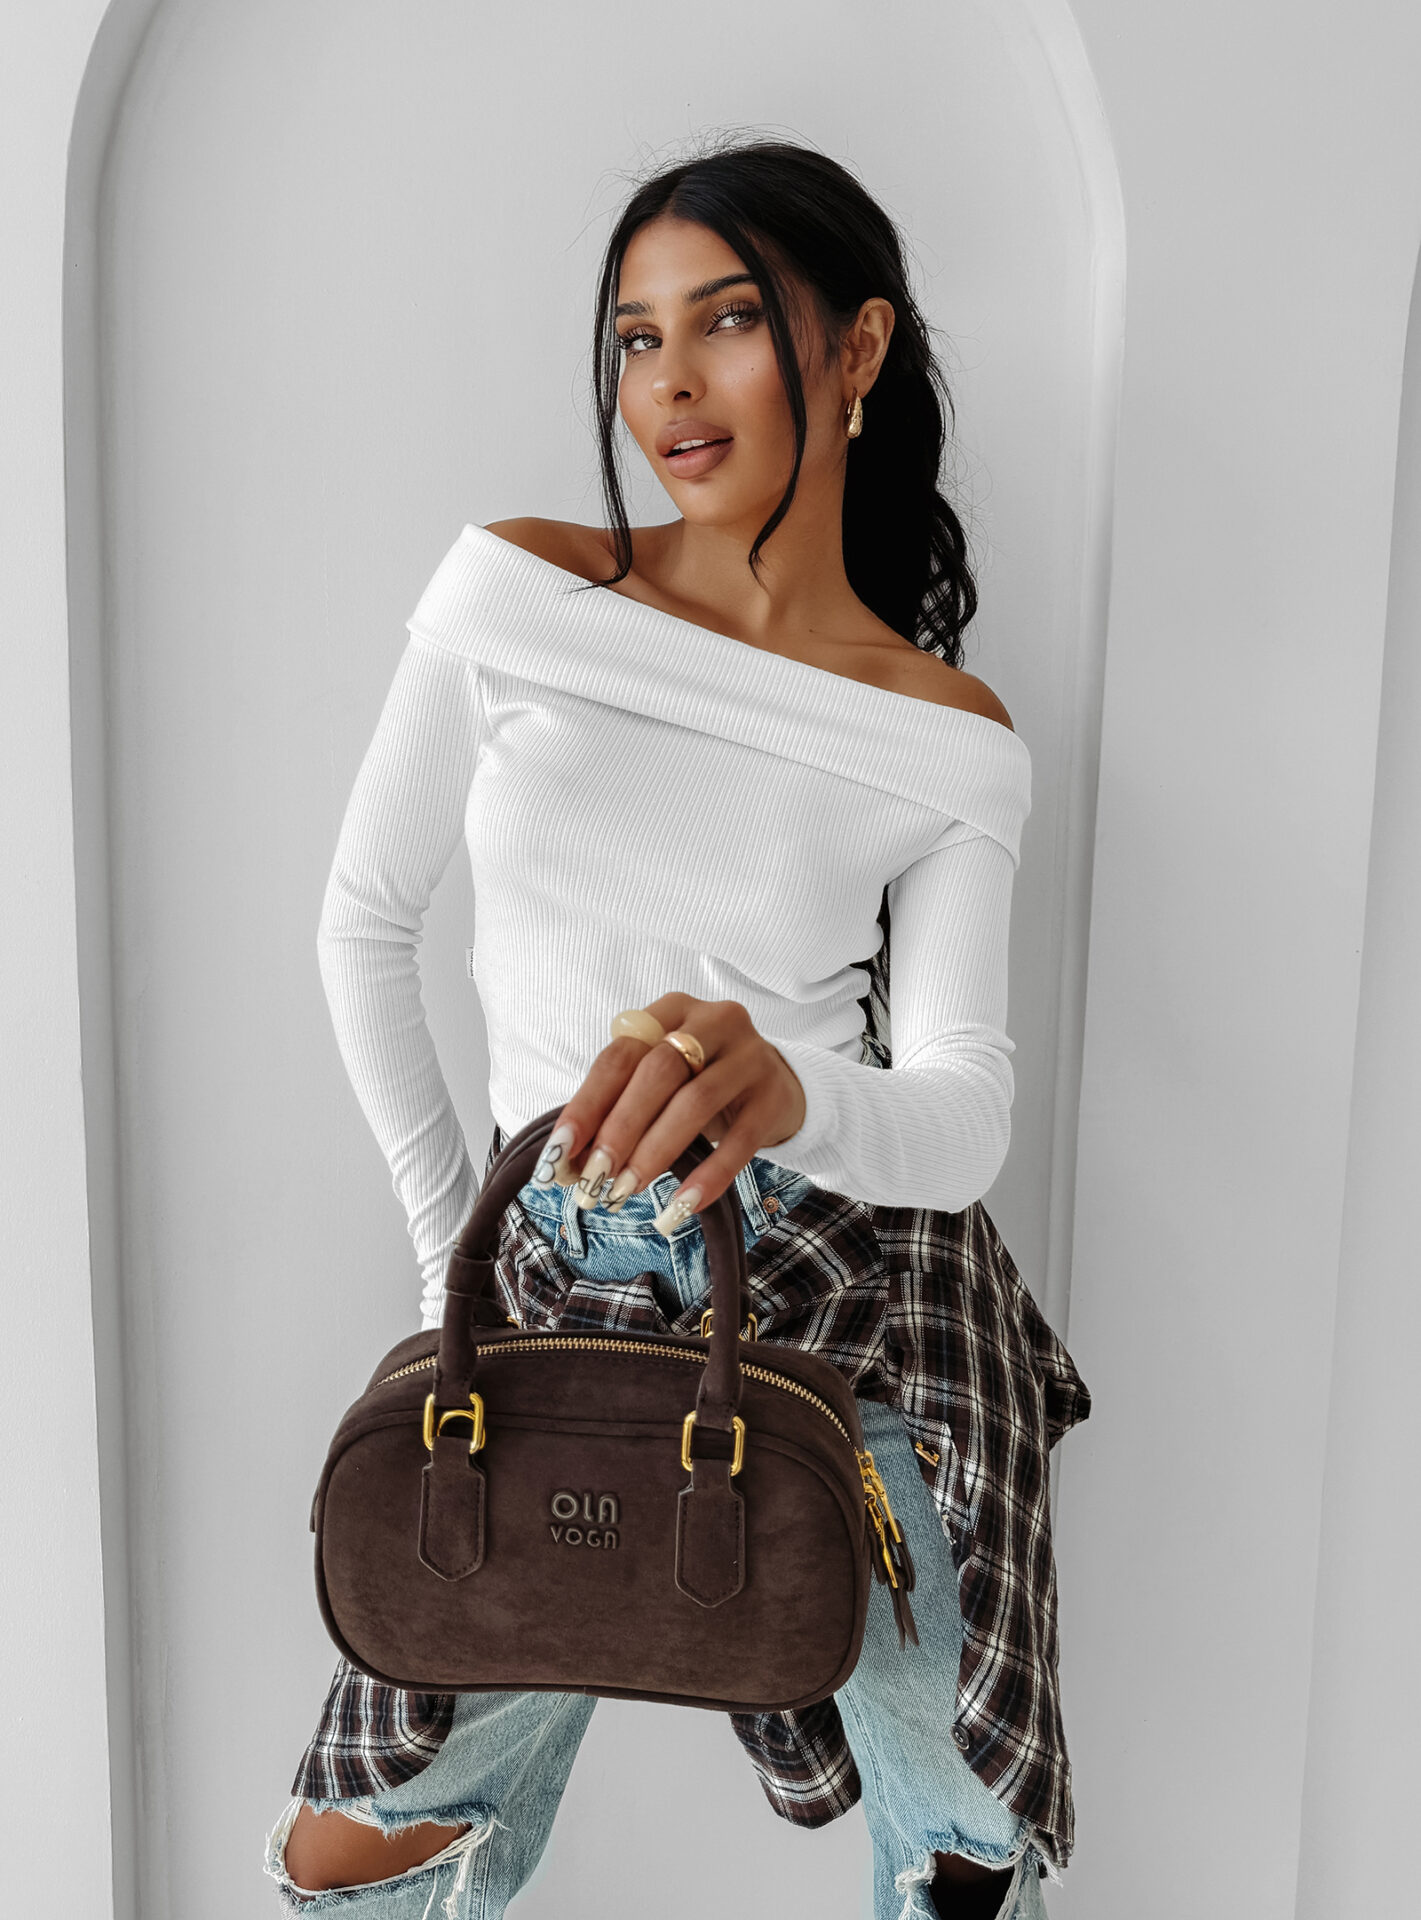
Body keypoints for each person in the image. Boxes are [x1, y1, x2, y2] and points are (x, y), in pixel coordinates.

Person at [263, 134, 1090, 1920]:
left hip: (858, 1291)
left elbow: (963, 1110)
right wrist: (454, 1274)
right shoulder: (518, 592)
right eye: (636, 339)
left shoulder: (944, 732)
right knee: (362, 1840)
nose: (669, 385)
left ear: (855, 348)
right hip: (549, 1264)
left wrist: (792, 1092)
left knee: (955, 1859)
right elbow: (361, 927)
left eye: (724, 322)